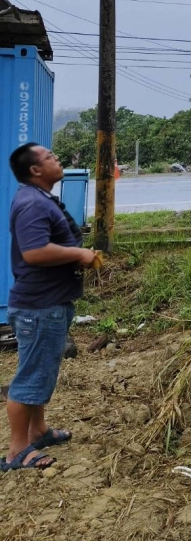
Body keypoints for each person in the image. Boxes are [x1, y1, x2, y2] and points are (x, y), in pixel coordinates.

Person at [1, 143, 100, 472]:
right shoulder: (31, 202)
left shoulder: (39, 198)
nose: (56, 159)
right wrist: (79, 255)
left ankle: (38, 430)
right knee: (30, 377)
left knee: (42, 371)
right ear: (35, 170)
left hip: (49, 303)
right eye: (50, 158)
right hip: (39, 306)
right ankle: (17, 450)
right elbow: (34, 252)